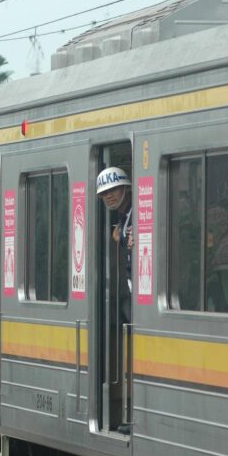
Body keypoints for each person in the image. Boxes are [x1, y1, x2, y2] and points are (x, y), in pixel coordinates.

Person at [96, 166, 133, 435]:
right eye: (104, 194)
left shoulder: (134, 215)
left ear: (126, 189)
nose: (109, 196)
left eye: (114, 190)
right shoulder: (123, 218)